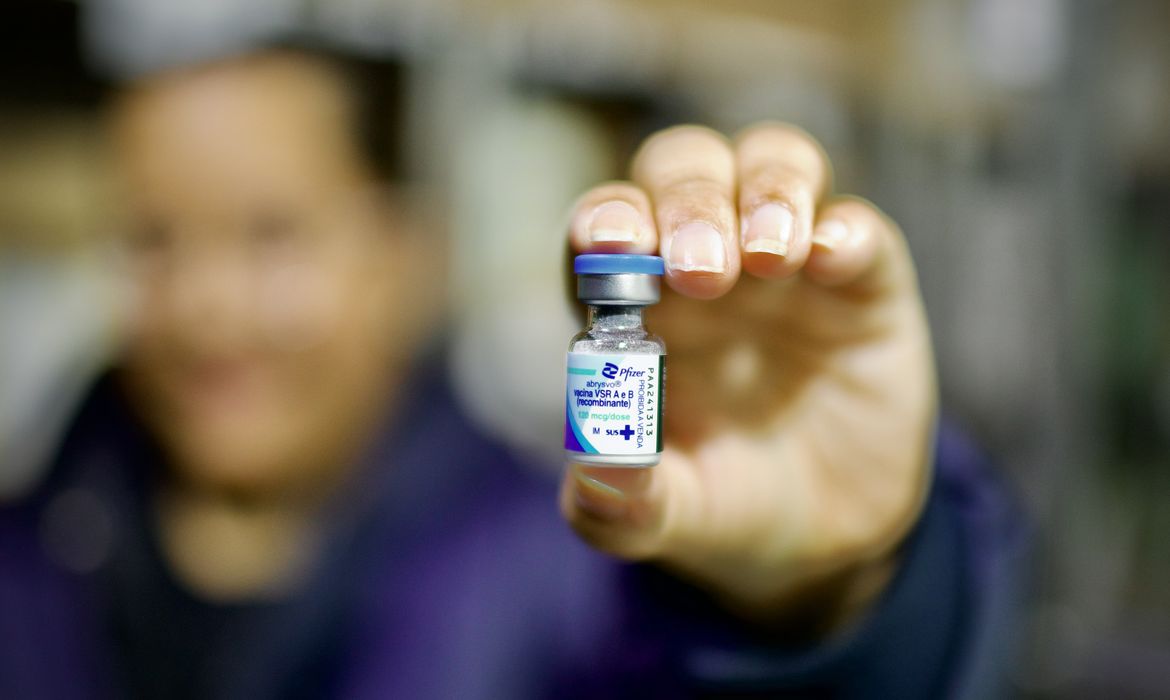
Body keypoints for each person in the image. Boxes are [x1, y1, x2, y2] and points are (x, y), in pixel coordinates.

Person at [0, 47, 1024, 699]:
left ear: (404, 255)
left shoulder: (561, 565)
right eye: (153, 239)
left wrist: (822, 596)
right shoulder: (31, 552)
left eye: (273, 236)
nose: (207, 305)